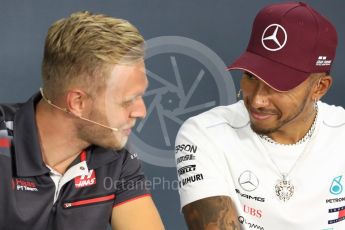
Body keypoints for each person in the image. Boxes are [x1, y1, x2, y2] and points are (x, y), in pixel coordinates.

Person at [175, 2, 343, 230]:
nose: (257, 100)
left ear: (319, 88)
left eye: (279, 85)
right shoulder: (204, 132)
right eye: (251, 76)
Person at [0, 11, 164, 230]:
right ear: (77, 102)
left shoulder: (116, 157)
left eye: (140, 96)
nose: (141, 112)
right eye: (127, 101)